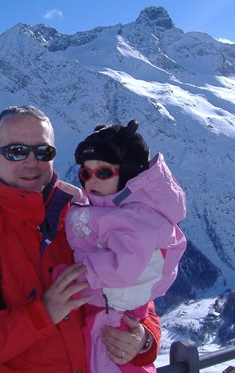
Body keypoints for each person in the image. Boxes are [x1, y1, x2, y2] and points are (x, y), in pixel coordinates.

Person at [0, 106, 161, 373]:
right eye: (16, 151)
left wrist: (143, 340)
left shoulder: (88, 221)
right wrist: (42, 314)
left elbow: (138, 294)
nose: (32, 162)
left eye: (43, 152)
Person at [64, 120, 187, 373]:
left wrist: (72, 275)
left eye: (104, 172)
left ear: (129, 174)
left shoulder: (135, 217)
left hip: (111, 317)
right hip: (107, 314)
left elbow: (123, 270)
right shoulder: (111, 208)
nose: (91, 182)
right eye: (85, 174)